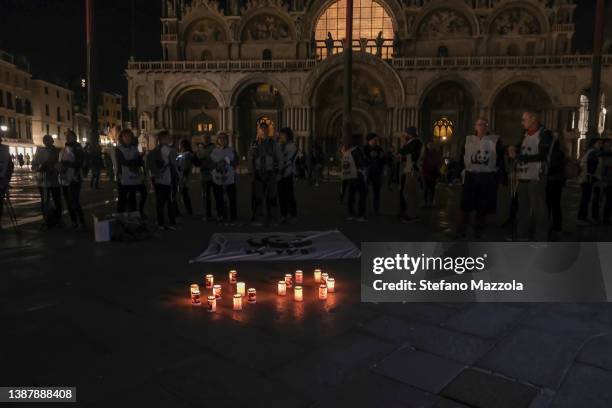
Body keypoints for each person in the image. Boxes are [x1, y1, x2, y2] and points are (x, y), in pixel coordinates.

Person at [453, 118, 506, 239]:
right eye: (479, 124)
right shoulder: (468, 140)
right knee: (465, 205)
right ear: (475, 126)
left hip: (487, 177)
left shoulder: (495, 140)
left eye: (484, 124)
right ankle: (461, 230)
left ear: (487, 126)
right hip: (471, 176)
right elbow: (461, 157)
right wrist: (456, 174)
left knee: (483, 206)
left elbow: (500, 159)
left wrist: (502, 177)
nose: (482, 127)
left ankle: (478, 230)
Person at [508, 111, 555, 241]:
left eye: (524, 119)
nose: (522, 122)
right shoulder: (525, 133)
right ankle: (522, 235)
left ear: (533, 119)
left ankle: (541, 237)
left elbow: (543, 155)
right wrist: (513, 148)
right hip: (523, 174)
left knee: (538, 207)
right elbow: (522, 147)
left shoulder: (545, 134)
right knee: (522, 207)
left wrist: (519, 157)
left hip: (536, 175)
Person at [248, 122, 283, 226]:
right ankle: (258, 218)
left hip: (270, 173)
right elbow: (250, 158)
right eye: (261, 129)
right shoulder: (254, 144)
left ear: (268, 130)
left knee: (272, 197)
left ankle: (272, 218)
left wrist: (280, 172)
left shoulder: (274, 144)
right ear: (258, 131)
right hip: (258, 173)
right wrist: (251, 173)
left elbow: (280, 157)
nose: (263, 130)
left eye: (265, 128)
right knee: (257, 197)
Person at [147, 130, 177, 230]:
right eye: (168, 137)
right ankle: (172, 223)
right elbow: (173, 162)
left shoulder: (154, 150)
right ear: (162, 139)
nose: (170, 139)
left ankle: (161, 223)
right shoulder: (166, 149)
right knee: (170, 202)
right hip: (168, 180)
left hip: (158, 179)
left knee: (160, 203)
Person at [32, 134, 62, 229]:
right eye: (45, 140)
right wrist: (38, 167)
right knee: (45, 200)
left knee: (57, 200)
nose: (46, 142)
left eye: (48, 140)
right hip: (43, 180)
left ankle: (58, 219)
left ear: (52, 141)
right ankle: (46, 219)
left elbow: (60, 165)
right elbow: (34, 164)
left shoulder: (58, 152)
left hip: (54, 180)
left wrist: (53, 168)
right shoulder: (40, 151)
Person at [114, 129, 147, 216]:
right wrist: (135, 161)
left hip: (135, 176)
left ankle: (137, 213)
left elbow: (139, 162)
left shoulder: (134, 148)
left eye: (129, 136)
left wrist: (139, 160)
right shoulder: (118, 149)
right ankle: (121, 216)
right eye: (125, 136)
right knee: (123, 198)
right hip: (123, 177)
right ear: (121, 138)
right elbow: (123, 162)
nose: (128, 138)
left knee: (141, 194)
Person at [58, 130, 85, 229]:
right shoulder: (65, 148)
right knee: (68, 201)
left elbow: (79, 163)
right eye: (66, 136)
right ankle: (74, 221)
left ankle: (81, 222)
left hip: (74, 178)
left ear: (74, 137)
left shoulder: (77, 148)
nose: (67, 137)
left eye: (69, 136)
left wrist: (65, 164)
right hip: (65, 178)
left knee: (74, 201)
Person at [211, 132, 238, 224]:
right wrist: (218, 165)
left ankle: (233, 216)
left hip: (229, 178)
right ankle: (221, 215)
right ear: (218, 140)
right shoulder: (215, 151)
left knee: (231, 198)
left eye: (224, 138)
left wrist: (227, 162)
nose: (222, 140)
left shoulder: (232, 150)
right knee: (219, 198)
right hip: (217, 179)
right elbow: (212, 164)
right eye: (220, 138)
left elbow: (235, 163)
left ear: (227, 140)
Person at [398, 126, 422, 222]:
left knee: (410, 191)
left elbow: (411, 155)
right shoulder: (411, 142)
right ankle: (408, 212)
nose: (405, 135)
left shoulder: (416, 142)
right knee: (407, 191)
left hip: (412, 168)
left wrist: (401, 155)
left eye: (406, 133)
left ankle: (412, 215)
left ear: (410, 134)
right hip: (408, 167)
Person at [342, 134, 368, 221]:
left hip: (350, 175)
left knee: (351, 195)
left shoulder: (347, 151)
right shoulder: (357, 151)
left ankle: (351, 214)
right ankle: (360, 215)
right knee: (362, 195)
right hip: (358, 175)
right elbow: (361, 163)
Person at [577, 138, 602, 225]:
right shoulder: (593, 153)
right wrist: (593, 177)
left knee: (587, 198)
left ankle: (584, 216)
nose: (599, 145)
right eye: (598, 143)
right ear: (593, 144)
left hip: (587, 178)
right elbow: (591, 166)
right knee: (586, 198)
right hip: (588, 178)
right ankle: (581, 217)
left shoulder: (590, 152)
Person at [546, 131, 566, 235]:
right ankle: (554, 226)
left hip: (553, 181)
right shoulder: (557, 151)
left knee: (552, 204)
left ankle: (555, 226)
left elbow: (554, 167)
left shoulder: (556, 152)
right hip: (554, 181)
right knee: (553, 205)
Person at [278, 127, 298, 222]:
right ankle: (283, 214)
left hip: (288, 173)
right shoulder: (279, 145)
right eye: (280, 134)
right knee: (281, 195)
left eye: (283, 135)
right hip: (280, 174)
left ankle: (293, 215)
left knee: (290, 195)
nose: (281, 136)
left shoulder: (292, 146)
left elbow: (287, 159)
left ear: (288, 135)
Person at [194, 136, 216, 221]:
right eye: (204, 138)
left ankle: (219, 213)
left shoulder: (213, 147)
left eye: (207, 138)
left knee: (217, 194)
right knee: (205, 196)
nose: (205, 140)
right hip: (204, 174)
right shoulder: (200, 148)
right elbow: (197, 160)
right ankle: (207, 214)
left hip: (213, 174)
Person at [364, 133, 385, 214]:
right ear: (370, 140)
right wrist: (369, 156)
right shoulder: (364, 148)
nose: (376, 141)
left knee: (376, 191)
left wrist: (382, 157)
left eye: (376, 140)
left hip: (377, 172)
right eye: (374, 140)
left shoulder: (379, 148)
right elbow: (362, 160)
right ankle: (363, 207)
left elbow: (383, 160)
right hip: (367, 171)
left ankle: (376, 208)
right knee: (365, 190)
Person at [421, 141, 442, 208]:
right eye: (429, 145)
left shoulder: (431, 153)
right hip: (428, 173)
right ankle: (428, 201)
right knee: (428, 188)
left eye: (431, 145)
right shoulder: (427, 154)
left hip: (431, 173)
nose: (430, 146)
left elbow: (437, 162)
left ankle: (429, 201)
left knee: (430, 188)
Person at [596, 139, 612, 225]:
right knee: (598, 200)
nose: (609, 147)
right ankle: (597, 217)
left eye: (610, 145)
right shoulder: (599, 154)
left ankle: (606, 218)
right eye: (607, 145)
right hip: (600, 180)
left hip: (609, 181)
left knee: (609, 201)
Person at [0, 136, 15, 231]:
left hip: (2, 179)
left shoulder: (5, 150)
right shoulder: (5, 150)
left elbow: (10, 166)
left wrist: (6, 179)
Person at [176, 139, 194, 216]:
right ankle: (188, 210)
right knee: (184, 194)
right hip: (182, 176)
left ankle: (188, 210)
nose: (179, 146)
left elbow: (185, 166)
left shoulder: (187, 154)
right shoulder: (183, 154)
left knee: (184, 194)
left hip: (183, 176)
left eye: (180, 144)